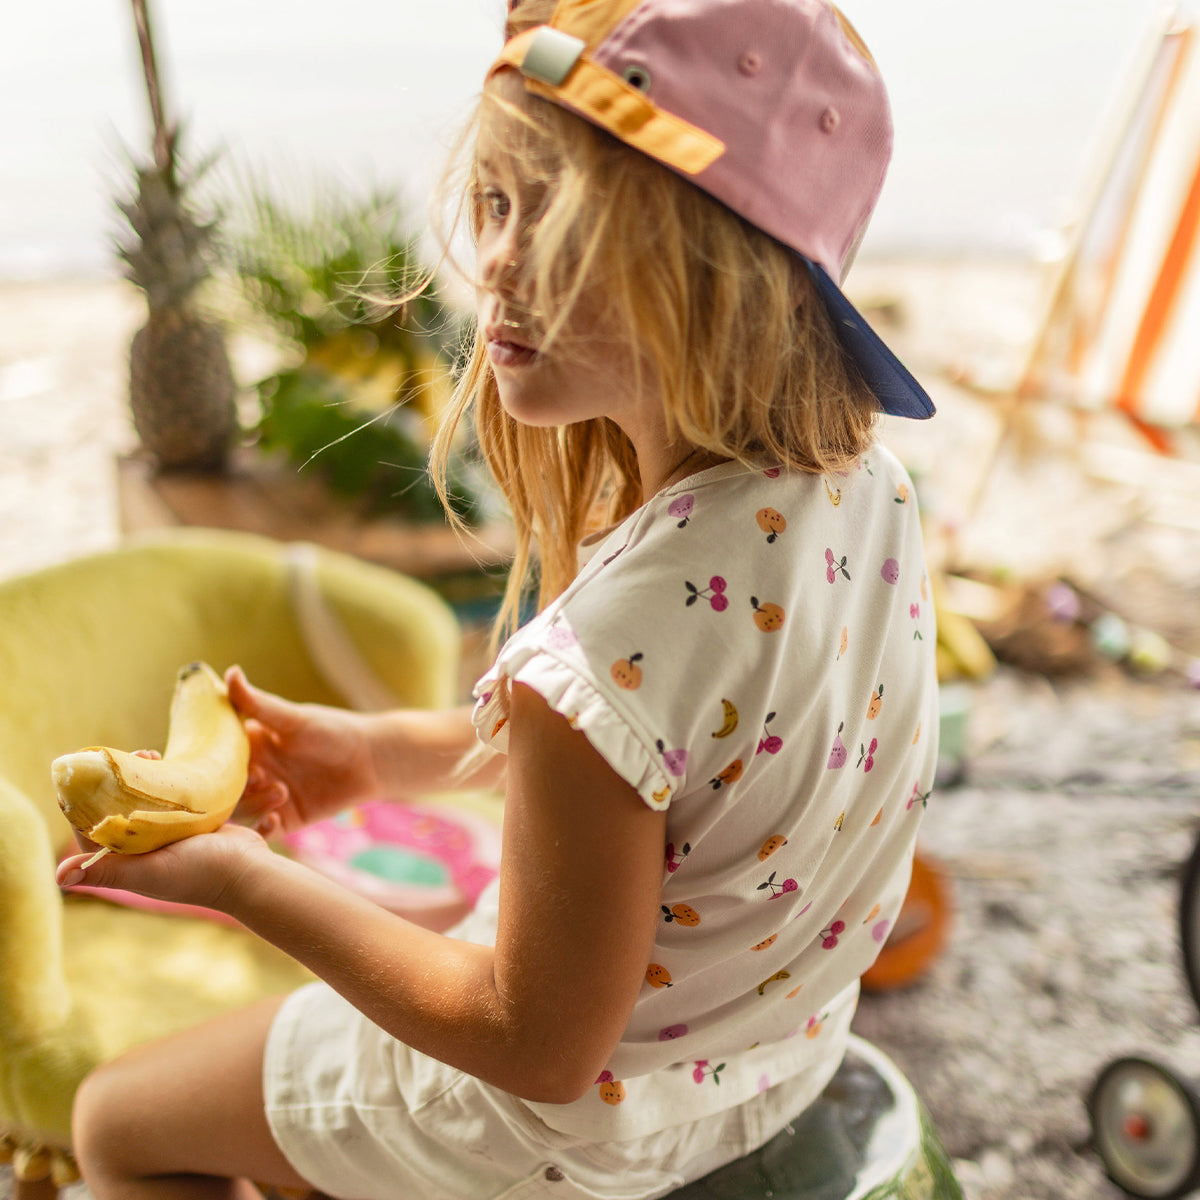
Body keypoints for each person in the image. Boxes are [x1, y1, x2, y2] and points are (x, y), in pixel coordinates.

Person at [56, 0, 940, 1196]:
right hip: (760, 1063)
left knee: (117, 1118)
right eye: (502, 201)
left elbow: (535, 1045)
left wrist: (247, 882)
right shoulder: (870, 496)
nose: (501, 266)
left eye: (569, 222)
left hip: (563, 1134)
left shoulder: (615, 642)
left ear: (719, 275)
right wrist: (378, 757)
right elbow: (689, 765)